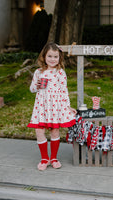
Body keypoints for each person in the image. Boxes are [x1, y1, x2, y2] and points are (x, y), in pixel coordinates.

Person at [27, 42, 77, 171]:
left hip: (55, 106)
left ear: (59, 58)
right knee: (39, 130)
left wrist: (68, 106)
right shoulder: (38, 72)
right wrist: (36, 86)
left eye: (55, 57)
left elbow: (64, 91)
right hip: (42, 105)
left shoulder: (60, 73)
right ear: (44, 57)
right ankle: (44, 158)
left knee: (54, 130)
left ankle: (53, 158)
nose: (52, 59)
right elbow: (32, 89)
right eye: (49, 56)